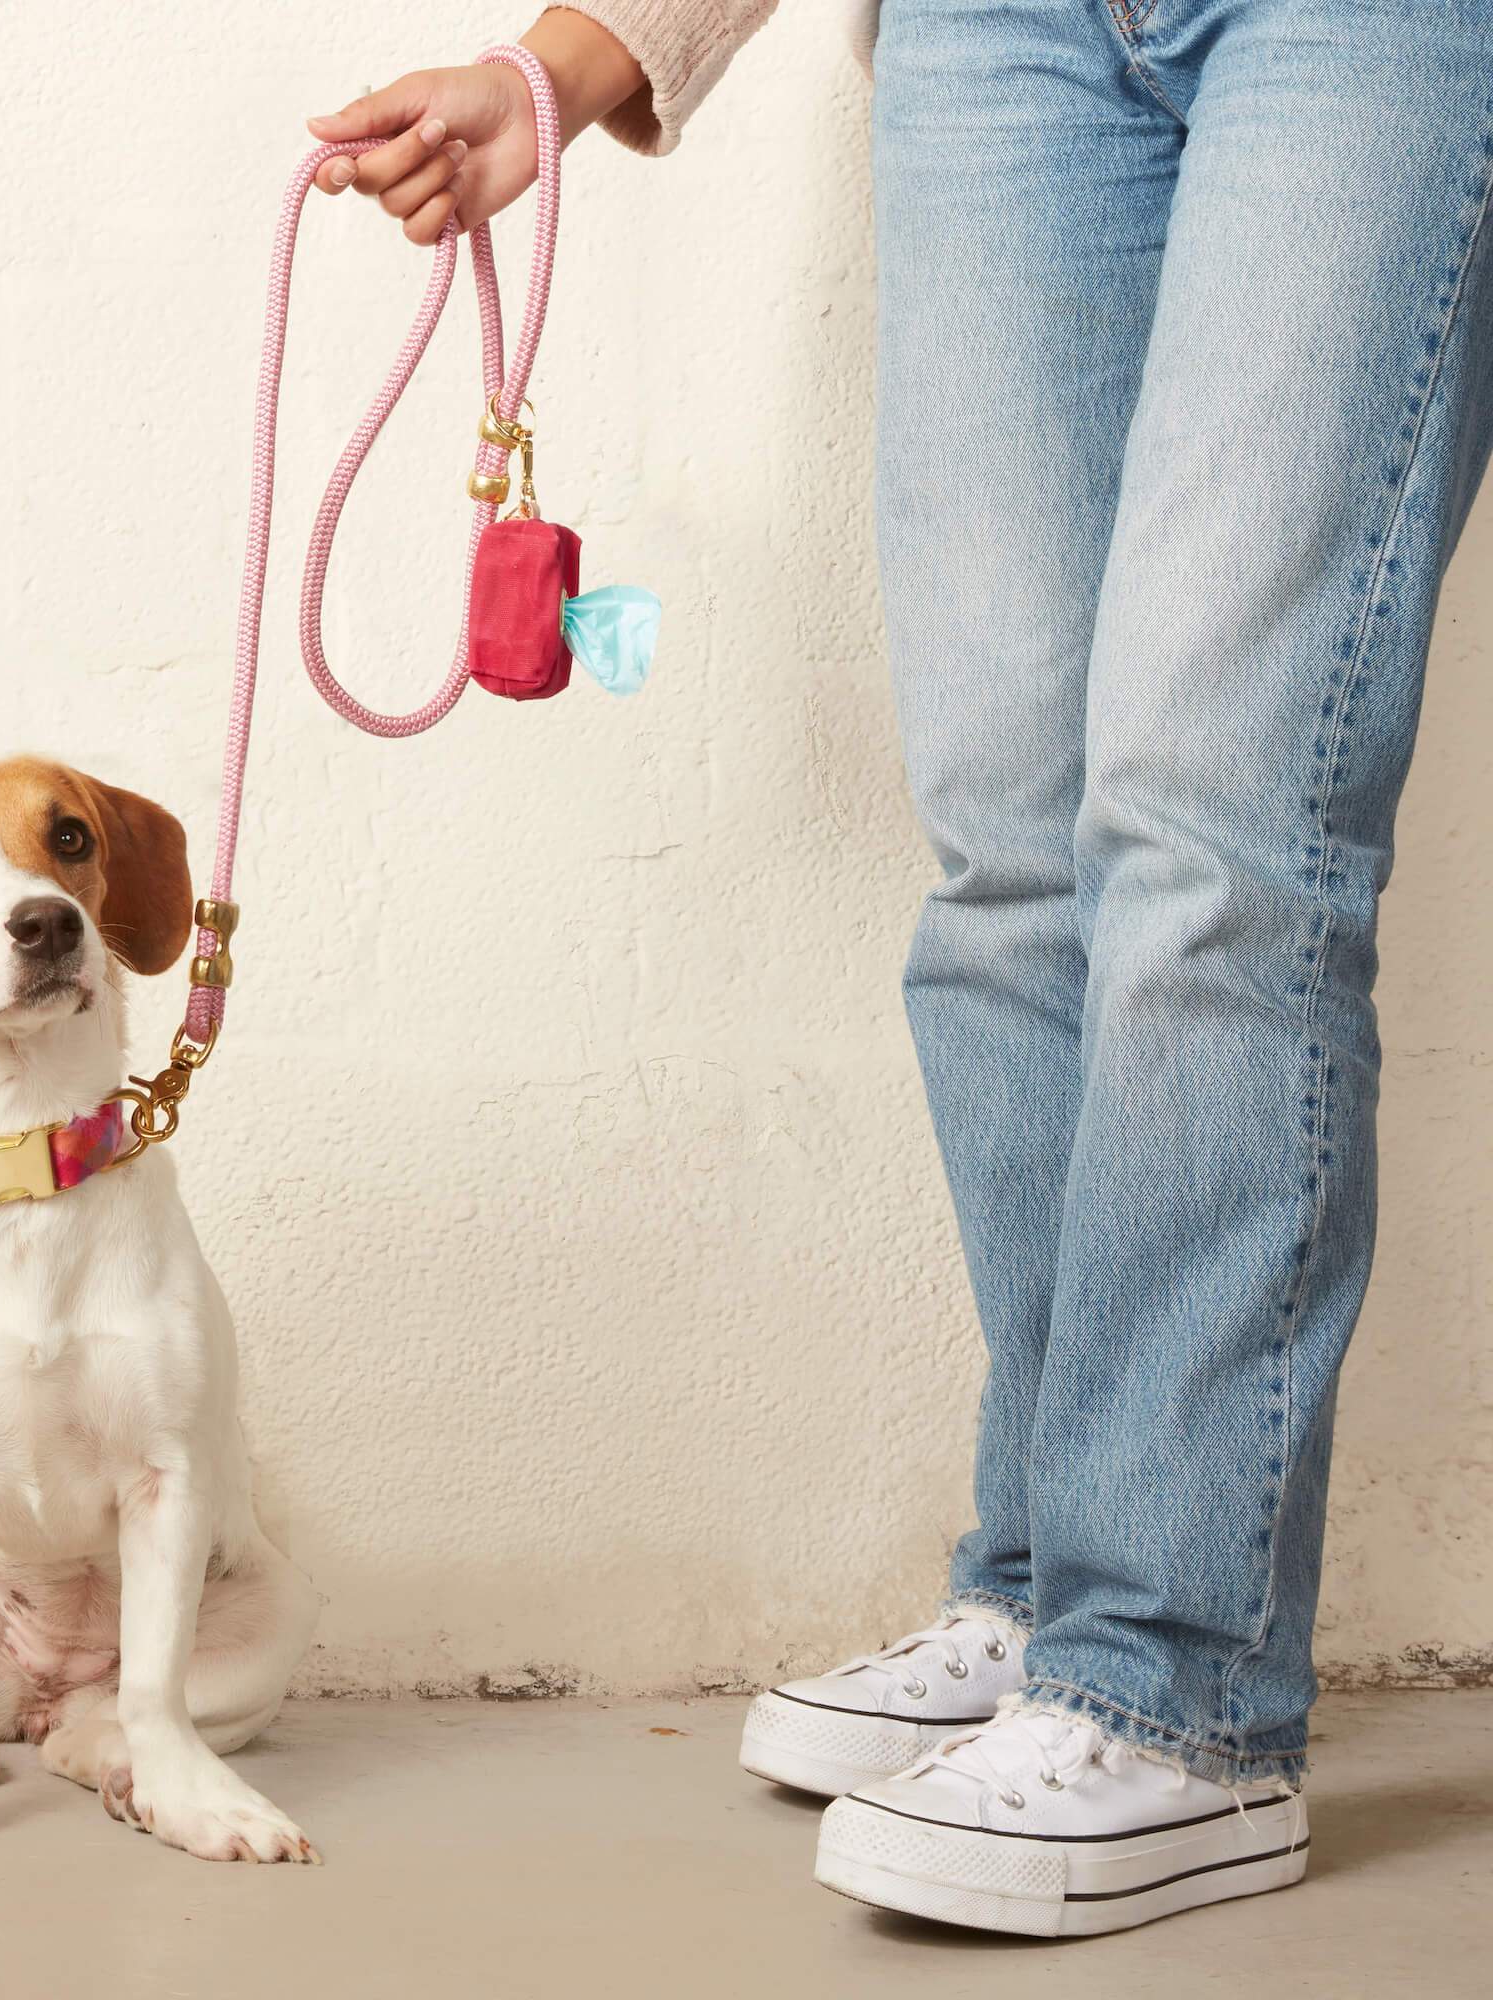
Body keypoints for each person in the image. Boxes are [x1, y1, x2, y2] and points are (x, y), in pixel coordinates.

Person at [307, 1, 1493, 1939]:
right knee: (1010, 845)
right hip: (996, 34)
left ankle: (1173, 1681)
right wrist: (588, 55)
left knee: (1216, 828)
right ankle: (1050, 1586)